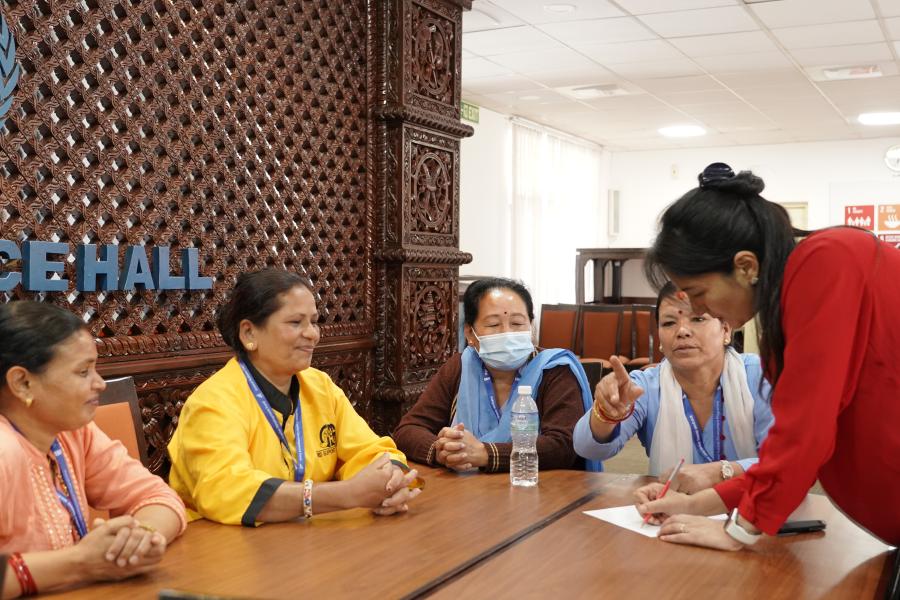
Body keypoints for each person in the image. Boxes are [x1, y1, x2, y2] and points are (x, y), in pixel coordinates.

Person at [634, 162, 900, 550]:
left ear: (745, 266)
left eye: (698, 292)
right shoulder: (789, 300)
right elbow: (788, 451)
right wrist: (696, 504)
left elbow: (804, 430)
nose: (696, 308)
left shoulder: (827, 261)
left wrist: (739, 530)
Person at [167, 269, 421, 526]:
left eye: (314, 321)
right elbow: (226, 491)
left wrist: (391, 482)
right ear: (249, 334)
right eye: (295, 322)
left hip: (308, 540)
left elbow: (373, 452)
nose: (312, 334)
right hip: (221, 546)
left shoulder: (320, 386)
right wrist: (347, 494)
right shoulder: (214, 401)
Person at [0, 301, 186, 597]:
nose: (100, 384)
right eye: (83, 372)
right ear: (22, 383)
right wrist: (80, 563)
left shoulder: (73, 431)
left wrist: (138, 538)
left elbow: (156, 496)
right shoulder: (4, 451)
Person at [573, 282, 774, 493]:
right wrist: (606, 412)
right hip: (673, 516)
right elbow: (587, 448)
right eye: (669, 323)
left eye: (698, 319)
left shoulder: (759, 377)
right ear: (659, 338)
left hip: (751, 513)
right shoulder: (646, 386)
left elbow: (783, 460)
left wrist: (722, 471)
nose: (682, 331)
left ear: (725, 330)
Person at [393, 277, 601, 473]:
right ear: (469, 334)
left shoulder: (554, 370)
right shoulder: (460, 367)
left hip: (540, 491)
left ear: (532, 327)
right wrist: (443, 451)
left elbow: (562, 446)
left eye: (518, 324)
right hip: (469, 493)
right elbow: (408, 430)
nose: (507, 333)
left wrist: (486, 454)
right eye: (493, 325)